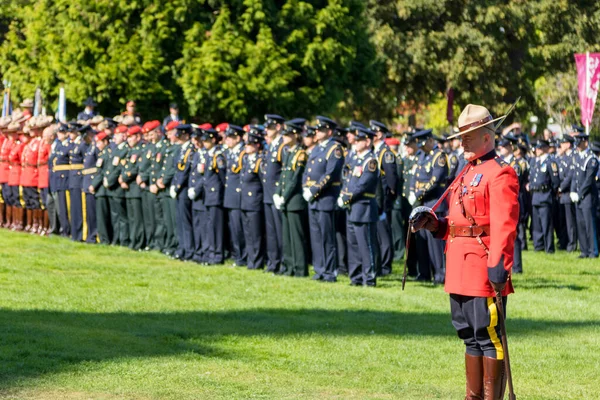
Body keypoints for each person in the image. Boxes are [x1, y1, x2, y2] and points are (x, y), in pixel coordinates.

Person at [411, 104, 519, 399]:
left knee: (489, 336)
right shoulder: (465, 172)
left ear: (487, 136)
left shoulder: (500, 173)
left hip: (483, 268)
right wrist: (436, 225)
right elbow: (459, 223)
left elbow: (504, 226)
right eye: (462, 135)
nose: (463, 141)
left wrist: (499, 266)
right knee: (469, 336)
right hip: (459, 266)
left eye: (469, 135)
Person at [303, 116, 344, 282]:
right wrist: (305, 186)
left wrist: (314, 189)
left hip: (325, 198)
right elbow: (308, 171)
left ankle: (329, 271)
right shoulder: (317, 148)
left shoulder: (334, 149)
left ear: (329, 131)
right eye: (316, 130)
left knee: (327, 237)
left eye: (320, 130)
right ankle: (319, 269)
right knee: (316, 237)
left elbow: (331, 174)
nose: (317, 132)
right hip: (314, 199)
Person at [338, 126, 380, 286]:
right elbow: (347, 180)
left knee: (365, 245)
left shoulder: (371, 161)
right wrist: (344, 195)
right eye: (355, 140)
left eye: (359, 140)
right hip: (353, 208)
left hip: (364, 208)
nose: (355, 142)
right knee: (353, 244)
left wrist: (346, 197)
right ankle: (355, 277)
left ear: (367, 141)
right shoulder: (355, 159)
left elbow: (363, 185)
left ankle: (369, 278)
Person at [409, 128, 448, 284]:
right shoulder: (423, 156)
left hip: (434, 203)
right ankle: (425, 272)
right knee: (423, 241)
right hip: (424, 204)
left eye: (424, 144)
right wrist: (413, 191)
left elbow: (436, 179)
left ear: (430, 141)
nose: (422, 148)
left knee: (435, 243)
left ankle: (440, 274)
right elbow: (415, 176)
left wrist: (419, 193)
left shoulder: (439, 157)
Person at [274, 119, 309, 277]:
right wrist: (277, 193)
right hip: (286, 201)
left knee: (297, 237)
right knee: (287, 237)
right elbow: (283, 176)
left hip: (294, 200)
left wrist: (285, 196)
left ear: (295, 135)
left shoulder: (300, 154)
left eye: (287, 135)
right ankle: (288, 267)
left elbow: (295, 179)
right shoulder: (288, 152)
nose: (284, 137)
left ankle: (300, 268)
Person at [370, 120, 398, 275]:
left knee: (384, 233)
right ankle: (381, 263)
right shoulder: (376, 151)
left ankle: (386, 265)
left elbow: (392, 177)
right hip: (377, 196)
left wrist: (391, 194)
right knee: (379, 232)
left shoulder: (385, 153)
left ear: (379, 133)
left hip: (385, 196)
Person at [262, 114, 287, 273]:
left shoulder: (282, 146)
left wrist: (281, 193)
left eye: (270, 127)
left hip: (277, 193)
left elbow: (285, 171)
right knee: (271, 232)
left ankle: (284, 263)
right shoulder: (271, 146)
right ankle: (273, 262)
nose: (267, 130)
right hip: (268, 194)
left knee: (280, 231)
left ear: (278, 128)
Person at [200, 126, 226, 264]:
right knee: (210, 226)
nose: (204, 143)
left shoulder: (218, 156)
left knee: (216, 227)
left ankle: (217, 254)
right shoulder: (208, 155)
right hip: (208, 195)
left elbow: (223, 178)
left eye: (207, 141)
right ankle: (211, 253)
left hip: (215, 196)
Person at [570, 131, 599, 258]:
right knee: (580, 224)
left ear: (585, 142)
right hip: (579, 196)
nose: (577, 145)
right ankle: (584, 250)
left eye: (579, 142)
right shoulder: (578, 157)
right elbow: (574, 177)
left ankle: (593, 250)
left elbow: (588, 180)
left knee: (589, 225)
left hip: (587, 197)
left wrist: (580, 193)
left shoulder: (591, 159)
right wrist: (572, 191)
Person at [241, 126, 266, 270]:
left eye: (250, 144)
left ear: (257, 145)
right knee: (248, 233)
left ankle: (257, 262)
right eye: (246, 144)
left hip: (254, 201)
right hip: (245, 201)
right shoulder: (245, 160)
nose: (247, 147)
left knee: (256, 234)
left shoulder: (259, 161)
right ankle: (251, 260)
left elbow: (263, 182)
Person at [222, 124, 247, 267]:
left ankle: (242, 257)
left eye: (230, 138)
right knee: (234, 228)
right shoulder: (231, 153)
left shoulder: (242, 154)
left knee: (239, 229)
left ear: (237, 138)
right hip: (230, 196)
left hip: (238, 196)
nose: (227, 140)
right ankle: (238, 255)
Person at [529, 139, 559, 254]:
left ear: (546, 148)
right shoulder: (536, 162)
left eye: (540, 148)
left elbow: (555, 181)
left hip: (545, 196)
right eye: (537, 148)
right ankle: (538, 245)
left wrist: (551, 192)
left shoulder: (550, 162)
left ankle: (549, 247)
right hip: (536, 196)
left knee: (546, 224)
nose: (537, 150)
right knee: (536, 224)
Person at [170, 124, 196, 260]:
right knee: (179, 220)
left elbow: (185, 171)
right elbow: (177, 169)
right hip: (179, 189)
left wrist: (178, 186)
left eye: (180, 135)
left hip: (184, 189)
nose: (178, 137)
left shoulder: (190, 150)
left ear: (186, 135)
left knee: (186, 221)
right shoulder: (181, 149)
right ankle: (182, 248)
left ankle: (189, 249)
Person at [104, 124, 130, 246]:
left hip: (117, 187)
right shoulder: (116, 149)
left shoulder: (125, 149)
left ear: (124, 136)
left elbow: (119, 168)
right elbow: (110, 167)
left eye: (118, 135)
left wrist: (110, 181)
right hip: (112, 187)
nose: (115, 138)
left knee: (121, 216)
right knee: (115, 216)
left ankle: (123, 239)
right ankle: (116, 238)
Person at [121, 125, 146, 250]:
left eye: (131, 137)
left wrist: (124, 178)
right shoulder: (130, 151)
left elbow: (136, 168)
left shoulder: (141, 150)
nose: (129, 140)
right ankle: (133, 239)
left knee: (137, 218)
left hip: (135, 188)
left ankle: (139, 242)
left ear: (138, 137)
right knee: (131, 217)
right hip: (129, 188)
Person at [90, 130, 113, 244]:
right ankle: (104, 238)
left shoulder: (107, 154)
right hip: (100, 189)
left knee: (102, 217)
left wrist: (93, 185)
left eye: (99, 143)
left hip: (103, 189)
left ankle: (105, 239)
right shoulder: (102, 154)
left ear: (105, 142)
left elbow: (102, 173)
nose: (97, 145)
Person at [557, 134, 577, 252]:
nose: (561, 145)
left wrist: (561, 187)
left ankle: (572, 244)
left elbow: (570, 176)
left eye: (563, 143)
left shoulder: (572, 158)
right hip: (562, 194)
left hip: (568, 192)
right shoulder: (563, 158)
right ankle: (565, 242)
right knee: (563, 221)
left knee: (570, 222)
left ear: (568, 144)